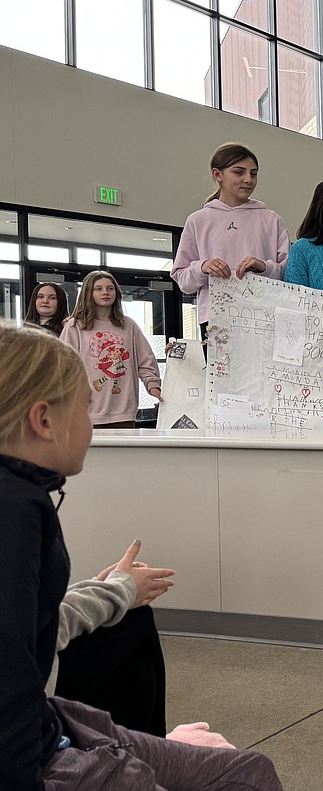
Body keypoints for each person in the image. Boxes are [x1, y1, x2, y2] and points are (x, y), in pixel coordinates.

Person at [0, 323, 283, 789]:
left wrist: (115, 591)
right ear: (43, 420)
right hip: (42, 754)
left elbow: (30, 629)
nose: (92, 425)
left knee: (249, 770)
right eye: (85, 410)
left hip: (54, 724)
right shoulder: (16, 512)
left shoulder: (23, 500)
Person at [53, 540, 175, 737]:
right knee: (137, 620)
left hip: (30, 674)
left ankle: (147, 753)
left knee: (138, 675)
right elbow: (41, 626)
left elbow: (34, 615)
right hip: (22, 705)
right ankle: (158, 751)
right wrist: (115, 592)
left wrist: (95, 589)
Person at [171, 143, 290, 329]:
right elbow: (182, 279)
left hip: (264, 317)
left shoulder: (271, 220)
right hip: (216, 318)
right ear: (217, 174)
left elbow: (288, 274)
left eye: (253, 173)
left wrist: (263, 267)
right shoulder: (198, 220)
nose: (248, 179)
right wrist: (202, 267)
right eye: (239, 172)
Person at [59, 271, 162, 428]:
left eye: (110, 288)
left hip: (124, 412)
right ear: (88, 293)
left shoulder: (129, 325)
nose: (105, 292)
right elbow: (63, 366)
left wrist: (153, 385)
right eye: (98, 289)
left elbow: (146, 360)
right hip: (85, 412)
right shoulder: (74, 326)